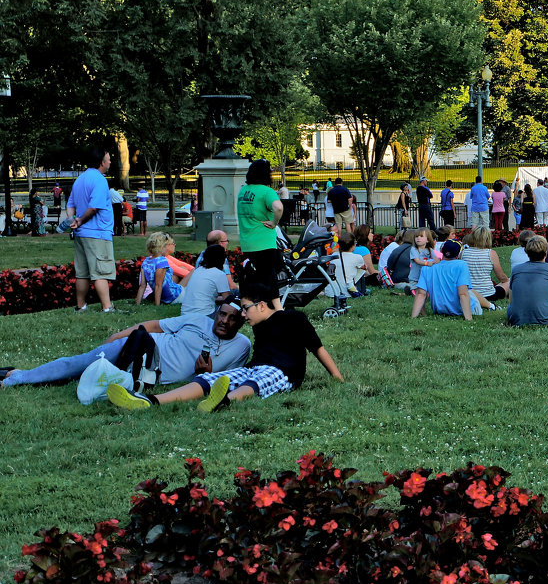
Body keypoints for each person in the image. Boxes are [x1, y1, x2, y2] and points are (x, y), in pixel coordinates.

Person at [107, 283, 343, 412]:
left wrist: (337, 377)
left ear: (261, 306)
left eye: (245, 308)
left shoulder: (293, 318)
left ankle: (223, 403)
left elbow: (317, 348)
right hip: (256, 367)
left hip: (284, 372)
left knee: (259, 381)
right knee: (213, 379)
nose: (242, 314)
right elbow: (257, 360)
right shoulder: (258, 328)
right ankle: (151, 401)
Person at [2, 297, 251, 390]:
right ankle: (16, 378)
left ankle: (15, 373)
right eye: (221, 314)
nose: (223, 320)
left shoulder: (241, 346)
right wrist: (116, 338)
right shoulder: (198, 320)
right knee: (79, 364)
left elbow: (228, 378)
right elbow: (152, 326)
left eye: (231, 318)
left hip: (152, 375)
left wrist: (206, 375)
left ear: (241, 323)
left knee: (85, 377)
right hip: (139, 347)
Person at [68, 147, 116, 313]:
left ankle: (80, 306)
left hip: (81, 234)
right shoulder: (100, 180)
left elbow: (70, 205)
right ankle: (107, 307)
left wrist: (72, 221)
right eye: (108, 159)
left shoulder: (79, 180)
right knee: (100, 272)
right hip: (97, 233)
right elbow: (94, 207)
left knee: (82, 273)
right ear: (102, 162)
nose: (110, 161)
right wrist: (80, 220)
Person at [236, 159, 284, 309]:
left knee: (256, 275)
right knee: (270, 276)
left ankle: (254, 304)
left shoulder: (244, 190)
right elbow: (278, 207)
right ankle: (277, 308)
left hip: (247, 242)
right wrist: (274, 222)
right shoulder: (266, 191)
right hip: (264, 242)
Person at [411, 239, 479, 319]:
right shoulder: (461, 265)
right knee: (470, 292)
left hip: (440, 310)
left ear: (441, 250)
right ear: (459, 254)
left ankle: (491, 305)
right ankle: (491, 306)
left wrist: (414, 317)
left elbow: (420, 294)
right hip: (461, 310)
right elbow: (463, 294)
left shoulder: (428, 265)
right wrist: (469, 319)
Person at [462, 225, 509, 310]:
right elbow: (501, 277)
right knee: (509, 281)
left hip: (470, 293)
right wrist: (507, 280)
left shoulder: (463, 253)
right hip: (488, 294)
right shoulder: (491, 253)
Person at [179, 244, 233, 317]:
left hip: (184, 314)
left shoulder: (197, 270)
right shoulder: (219, 274)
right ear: (222, 259)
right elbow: (227, 299)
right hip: (205, 315)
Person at [137, 232, 183, 306]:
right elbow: (158, 285)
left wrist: (137, 304)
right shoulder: (162, 261)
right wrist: (157, 305)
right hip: (174, 295)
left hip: (164, 297)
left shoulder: (146, 262)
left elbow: (142, 286)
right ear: (163, 246)